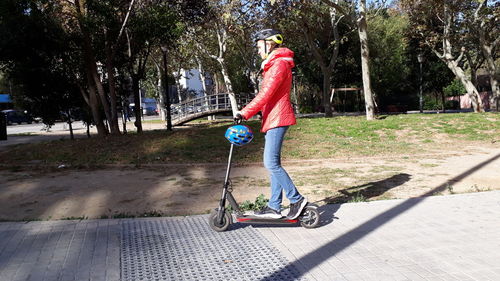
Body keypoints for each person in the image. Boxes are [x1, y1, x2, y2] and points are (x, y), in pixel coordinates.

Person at [235, 29, 307, 219]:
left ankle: (296, 199)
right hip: (273, 117)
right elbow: (268, 96)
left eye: (260, 47)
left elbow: (265, 94)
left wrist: (245, 112)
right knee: (273, 163)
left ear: (270, 44)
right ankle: (274, 205)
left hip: (278, 118)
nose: (258, 51)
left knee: (270, 163)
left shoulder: (279, 65)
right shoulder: (275, 64)